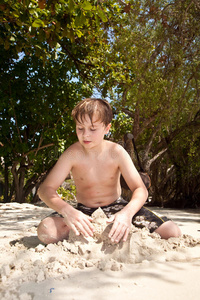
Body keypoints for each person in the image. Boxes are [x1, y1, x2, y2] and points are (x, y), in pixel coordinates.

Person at [37, 98, 181, 244]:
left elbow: (140, 189)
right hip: (84, 211)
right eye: (80, 128)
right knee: (46, 230)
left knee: (172, 232)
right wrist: (67, 211)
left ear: (107, 128)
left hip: (117, 207)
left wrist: (126, 213)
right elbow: (45, 189)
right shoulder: (72, 154)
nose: (85, 134)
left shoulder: (116, 152)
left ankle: (117, 226)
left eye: (93, 129)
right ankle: (92, 229)